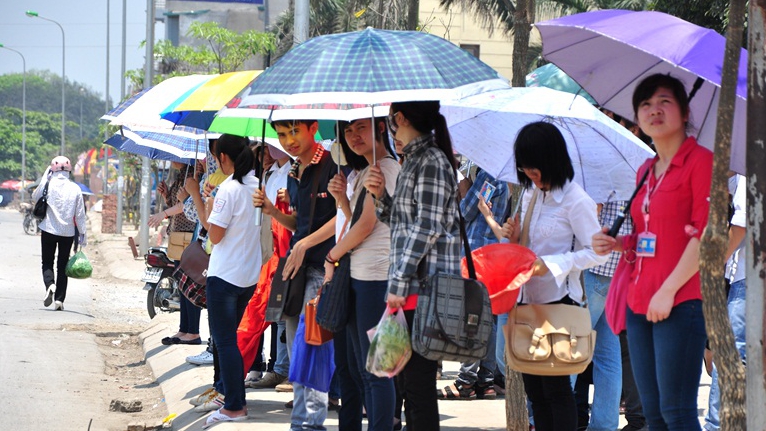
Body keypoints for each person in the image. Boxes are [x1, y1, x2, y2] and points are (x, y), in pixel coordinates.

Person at [592, 73, 713, 431]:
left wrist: (668, 290)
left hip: (681, 301)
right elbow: (648, 237)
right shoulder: (646, 169)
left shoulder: (701, 161)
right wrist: (618, 243)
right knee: (653, 414)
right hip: (639, 302)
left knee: (677, 411)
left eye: (664, 102)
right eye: (645, 104)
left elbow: (706, 234)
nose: (653, 110)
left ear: (685, 111)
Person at [500, 121, 608, 431]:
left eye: (536, 170)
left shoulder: (576, 200)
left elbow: (597, 252)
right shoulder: (531, 194)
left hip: (559, 302)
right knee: (534, 391)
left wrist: (553, 263)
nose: (532, 176)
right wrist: (514, 235)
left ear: (553, 162)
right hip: (526, 301)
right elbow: (523, 249)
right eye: (526, 171)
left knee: (557, 389)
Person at [365, 101, 461, 431]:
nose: (391, 130)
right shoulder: (416, 160)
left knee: (418, 387)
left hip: (424, 288)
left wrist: (399, 280)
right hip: (411, 289)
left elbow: (428, 227)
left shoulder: (431, 160)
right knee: (405, 383)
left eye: (392, 122)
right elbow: (402, 222)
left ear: (401, 118)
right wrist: (380, 197)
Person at [253, 119, 338, 431]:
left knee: (313, 347)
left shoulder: (331, 166)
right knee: (298, 351)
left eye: (294, 131)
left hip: (323, 269)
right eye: (282, 134)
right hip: (296, 272)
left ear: (313, 128)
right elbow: (301, 222)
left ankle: (311, 423)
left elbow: (342, 219)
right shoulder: (292, 172)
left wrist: (305, 243)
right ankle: (300, 421)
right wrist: (274, 213)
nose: (289, 140)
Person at [326, 117, 400, 431]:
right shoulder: (366, 171)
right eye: (347, 130)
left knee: (377, 371)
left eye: (360, 127)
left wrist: (333, 254)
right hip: (360, 276)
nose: (353, 136)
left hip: (376, 278)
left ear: (380, 127)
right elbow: (360, 221)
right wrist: (343, 200)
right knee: (359, 369)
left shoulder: (386, 168)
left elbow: (368, 226)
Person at [202, 134, 262, 427]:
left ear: (223, 158)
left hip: (225, 275)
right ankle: (233, 398)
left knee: (225, 343)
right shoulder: (256, 185)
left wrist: (209, 205)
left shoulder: (228, 190)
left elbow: (214, 236)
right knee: (230, 342)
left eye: (216, 157)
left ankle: (235, 405)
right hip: (248, 275)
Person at [438, 167, 508, 400]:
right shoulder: (500, 178)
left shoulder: (488, 176)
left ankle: (466, 381)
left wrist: (463, 187)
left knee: (473, 316)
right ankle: (485, 380)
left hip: (477, 254)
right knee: (488, 318)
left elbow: (466, 212)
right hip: (489, 254)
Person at [574, 199, 630, 431]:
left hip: (594, 267)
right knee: (608, 355)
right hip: (619, 269)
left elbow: (592, 213)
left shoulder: (600, 168)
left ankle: (553, 420)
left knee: (568, 351)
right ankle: (604, 426)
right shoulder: (638, 169)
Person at [704, 174, 747, 431]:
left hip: (748, 277)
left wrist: (715, 260)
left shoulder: (753, 163)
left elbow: (741, 225)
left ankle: (717, 426)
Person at [148, 161, 201, 346]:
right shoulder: (180, 175)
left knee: (190, 284)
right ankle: (184, 329)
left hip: (189, 235)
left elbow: (185, 206)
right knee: (182, 285)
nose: (171, 160)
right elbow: (175, 206)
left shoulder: (193, 176)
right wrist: (165, 195)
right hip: (178, 234)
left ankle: (193, 331)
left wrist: (162, 213)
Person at [34, 156, 87, 311]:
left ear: (52, 169)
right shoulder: (75, 188)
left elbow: (35, 197)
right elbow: (80, 215)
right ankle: (59, 300)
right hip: (68, 233)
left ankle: (50, 285)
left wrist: (46, 175)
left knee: (47, 262)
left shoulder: (48, 184)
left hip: (48, 230)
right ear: (69, 170)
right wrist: (83, 234)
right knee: (63, 266)